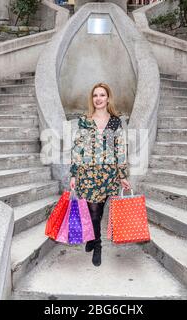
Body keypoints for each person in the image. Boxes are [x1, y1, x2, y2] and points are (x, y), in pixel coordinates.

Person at [69, 83, 131, 267]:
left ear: (108, 98)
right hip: (87, 174)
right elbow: (78, 148)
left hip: (108, 174)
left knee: (99, 210)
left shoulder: (115, 121)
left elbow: (120, 150)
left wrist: (122, 175)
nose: (98, 98)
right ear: (92, 99)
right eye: (95, 95)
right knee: (93, 211)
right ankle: (97, 246)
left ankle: (91, 237)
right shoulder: (85, 120)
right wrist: (73, 174)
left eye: (102, 95)